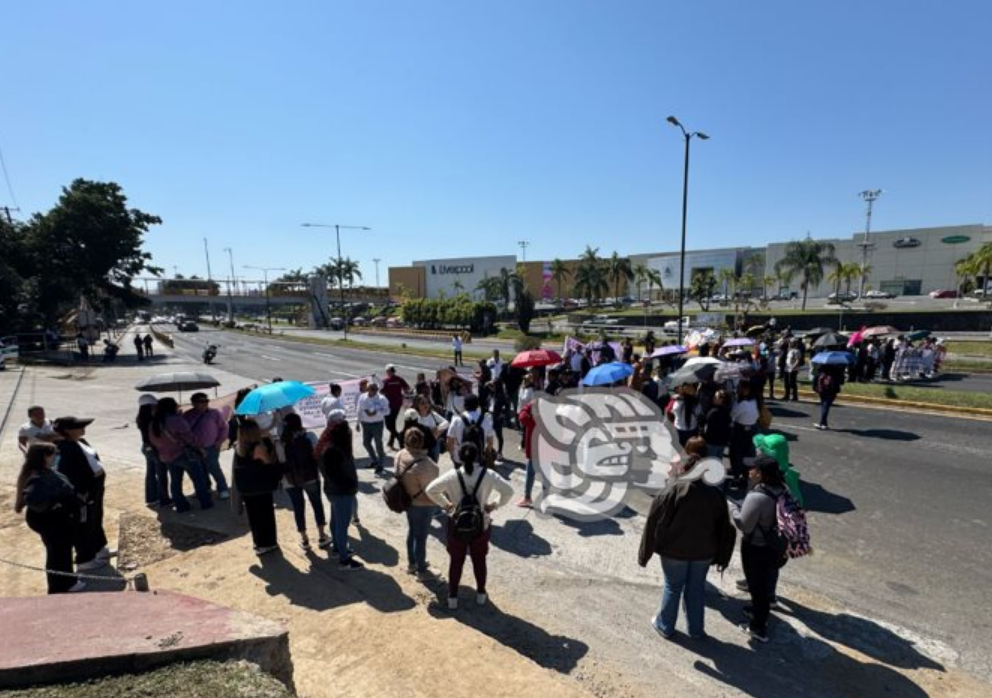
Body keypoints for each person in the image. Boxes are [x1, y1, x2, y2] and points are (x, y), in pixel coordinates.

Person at [638, 437, 735, 640]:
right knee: (696, 588)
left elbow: (653, 522)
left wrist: (644, 554)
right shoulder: (716, 493)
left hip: (674, 551)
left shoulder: (672, 490)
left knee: (673, 586)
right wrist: (721, 555)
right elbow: (724, 527)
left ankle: (665, 626)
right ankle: (696, 630)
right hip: (704, 552)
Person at [426, 443, 513, 609]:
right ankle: (481, 594)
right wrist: (494, 505)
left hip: (457, 523)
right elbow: (508, 491)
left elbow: (431, 490)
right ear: (478, 456)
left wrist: (447, 505)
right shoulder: (488, 474)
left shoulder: (452, 475)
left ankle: (452, 598)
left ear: (460, 457)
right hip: (481, 524)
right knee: (479, 560)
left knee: (456, 561)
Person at [731, 455, 787, 643]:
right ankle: (757, 610)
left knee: (757, 587)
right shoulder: (782, 489)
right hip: (775, 547)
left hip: (756, 547)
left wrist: (733, 509)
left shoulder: (758, 497)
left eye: (753, 469)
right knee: (763, 582)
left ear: (760, 473)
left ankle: (758, 627)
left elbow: (744, 525)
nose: (749, 471)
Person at [15, 443, 84, 593]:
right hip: (51, 522)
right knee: (58, 553)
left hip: (54, 521)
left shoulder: (42, 471)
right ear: (44, 457)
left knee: (60, 551)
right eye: (53, 454)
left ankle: (66, 581)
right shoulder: (37, 477)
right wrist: (56, 505)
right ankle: (62, 585)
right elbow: (34, 499)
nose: (56, 457)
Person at [53, 416, 111, 571]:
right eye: (78, 427)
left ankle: (99, 548)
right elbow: (65, 473)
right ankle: (85, 559)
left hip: (95, 489)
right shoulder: (63, 447)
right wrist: (80, 492)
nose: (83, 429)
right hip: (82, 494)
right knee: (83, 525)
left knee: (96, 518)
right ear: (67, 431)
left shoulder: (80, 442)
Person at [147, 398, 214, 512]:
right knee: (198, 479)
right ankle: (205, 502)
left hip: (166, 456)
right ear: (171, 407)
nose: (178, 406)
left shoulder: (153, 423)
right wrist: (200, 448)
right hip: (184, 454)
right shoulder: (176, 420)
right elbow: (190, 438)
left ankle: (181, 505)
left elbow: (153, 440)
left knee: (175, 481)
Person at [320, 410, 364, 569]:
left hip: (335, 492)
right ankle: (344, 560)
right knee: (342, 526)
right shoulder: (333, 450)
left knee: (335, 522)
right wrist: (349, 485)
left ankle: (338, 549)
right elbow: (334, 474)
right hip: (341, 493)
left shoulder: (330, 447)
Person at [395, 428, 440, 580]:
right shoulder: (427, 465)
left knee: (412, 532)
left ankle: (412, 563)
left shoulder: (400, 455)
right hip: (423, 506)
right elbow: (432, 491)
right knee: (421, 538)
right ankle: (421, 571)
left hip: (407, 500)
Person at [280, 413, 329, 551]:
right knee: (316, 503)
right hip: (310, 476)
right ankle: (322, 536)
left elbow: (280, 461)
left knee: (298, 507)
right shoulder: (310, 436)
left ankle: (305, 539)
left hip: (290, 480)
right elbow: (319, 454)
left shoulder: (281, 441)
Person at [233, 419, 282, 556]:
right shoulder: (258, 448)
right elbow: (269, 463)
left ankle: (258, 543)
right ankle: (268, 544)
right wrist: (271, 443)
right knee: (266, 516)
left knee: (254, 517)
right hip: (260, 488)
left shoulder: (239, 446)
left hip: (247, 489)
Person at [183, 393, 231, 499]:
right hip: (194, 448)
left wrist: (219, 442)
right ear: (194, 403)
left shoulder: (214, 413)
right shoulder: (187, 415)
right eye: (201, 401)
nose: (205, 403)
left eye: (206, 401)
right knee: (199, 470)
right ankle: (205, 488)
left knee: (214, 468)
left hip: (211, 447)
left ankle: (222, 489)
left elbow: (224, 427)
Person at [136, 394, 170, 507]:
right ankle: (164, 499)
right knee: (161, 474)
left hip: (147, 448)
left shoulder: (141, 418)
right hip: (155, 449)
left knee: (151, 473)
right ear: (150, 406)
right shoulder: (152, 419)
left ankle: (151, 498)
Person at [447, 394, 494, 469]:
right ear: (477, 405)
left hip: (460, 459)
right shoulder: (485, 420)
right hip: (478, 459)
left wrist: (452, 455)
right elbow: (490, 442)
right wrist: (487, 453)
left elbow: (450, 441)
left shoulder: (456, 419)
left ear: (464, 405)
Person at [729, 382, 759, 485]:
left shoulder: (742, 403)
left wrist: (734, 401)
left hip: (741, 429)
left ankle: (736, 476)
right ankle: (746, 475)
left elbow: (732, 414)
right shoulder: (754, 400)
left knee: (736, 453)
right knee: (749, 453)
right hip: (753, 428)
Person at [356, 382, 389, 473]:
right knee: (366, 443)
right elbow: (359, 410)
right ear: (368, 389)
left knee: (378, 443)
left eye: (375, 389)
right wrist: (358, 423)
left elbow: (387, 411)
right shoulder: (362, 397)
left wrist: (377, 412)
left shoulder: (382, 399)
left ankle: (381, 464)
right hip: (365, 424)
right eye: (372, 389)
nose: (374, 391)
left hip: (377, 424)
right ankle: (375, 460)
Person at [516, 400, 541, 507]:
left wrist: (529, 405)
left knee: (530, 473)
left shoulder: (531, 420)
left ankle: (527, 498)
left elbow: (521, 415)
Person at [381, 364, 411, 451]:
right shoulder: (399, 379)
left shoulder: (385, 381)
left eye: (387, 371)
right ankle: (390, 443)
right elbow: (407, 388)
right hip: (397, 405)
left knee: (389, 426)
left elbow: (381, 392)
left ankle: (400, 440)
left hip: (388, 406)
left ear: (389, 371)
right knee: (393, 423)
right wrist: (401, 394)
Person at [412, 395, 449, 461]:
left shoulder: (432, 414)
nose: (425, 405)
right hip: (421, 447)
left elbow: (446, 423)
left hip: (434, 445)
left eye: (427, 402)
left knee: (433, 465)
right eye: (422, 403)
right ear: (417, 405)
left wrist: (437, 428)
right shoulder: (415, 416)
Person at [701, 389, 732, 462]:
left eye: (716, 397)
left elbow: (706, 426)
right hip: (722, 442)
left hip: (712, 442)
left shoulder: (713, 412)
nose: (713, 398)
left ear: (722, 399)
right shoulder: (728, 411)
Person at [812, 363, 844, 430]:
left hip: (822, 390)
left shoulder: (822, 366)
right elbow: (841, 381)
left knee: (824, 406)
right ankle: (822, 423)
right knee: (826, 406)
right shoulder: (837, 368)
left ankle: (823, 423)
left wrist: (815, 387)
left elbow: (816, 376)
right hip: (832, 391)